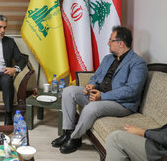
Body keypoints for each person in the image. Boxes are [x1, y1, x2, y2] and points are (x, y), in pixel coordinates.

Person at [51, 26, 148, 154]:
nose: (108, 43)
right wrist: (91, 85)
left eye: (110, 40)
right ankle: (68, 132)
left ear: (121, 43)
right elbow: (96, 77)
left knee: (92, 108)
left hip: (121, 103)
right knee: (69, 91)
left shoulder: (137, 63)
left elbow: (132, 90)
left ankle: (75, 138)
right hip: (98, 94)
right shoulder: (108, 58)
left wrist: (103, 96)